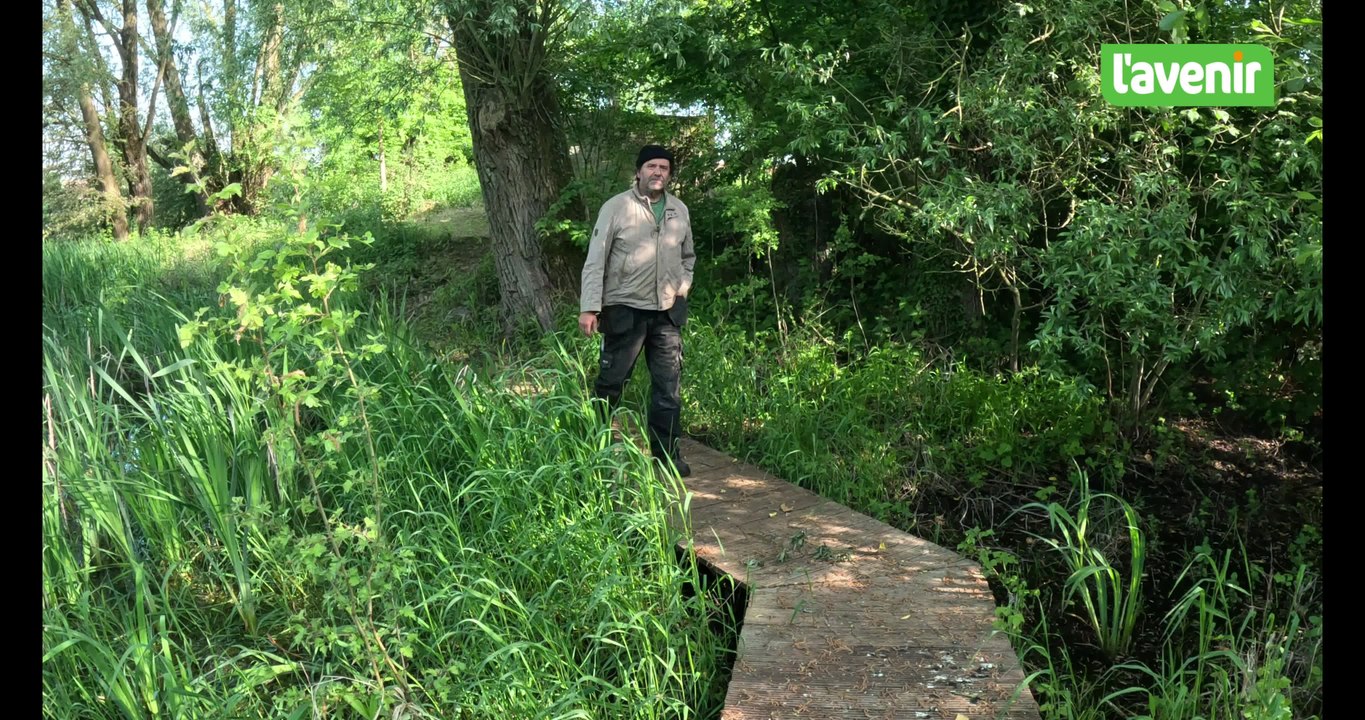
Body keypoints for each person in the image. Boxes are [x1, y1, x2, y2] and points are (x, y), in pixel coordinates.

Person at [578, 144, 695, 477]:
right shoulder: (616, 207)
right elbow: (595, 259)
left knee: (668, 389)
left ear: (669, 174)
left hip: (667, 312)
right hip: (624, 311)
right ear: (639, 171)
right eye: (651, 166)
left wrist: (683, 286)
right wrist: (590, 307)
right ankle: (593, 450)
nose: (658, 172)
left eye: (664, 167)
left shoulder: (678, 210)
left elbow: (688, 257)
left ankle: (667, 457)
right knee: (611, 385)